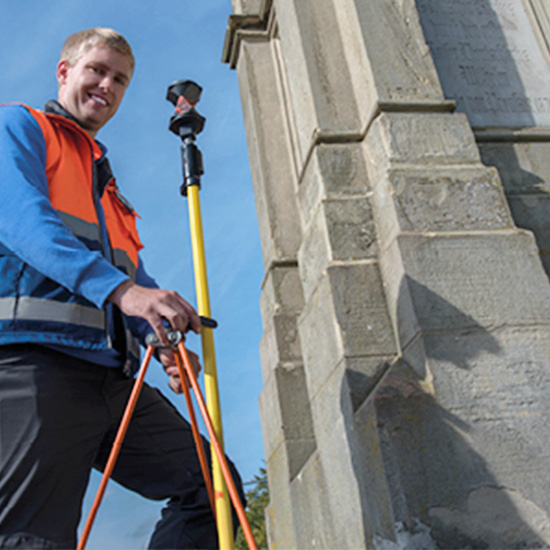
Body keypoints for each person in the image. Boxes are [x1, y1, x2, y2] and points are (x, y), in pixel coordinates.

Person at [0, 27, 242, 549]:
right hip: (33, 365)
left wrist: (161, 332)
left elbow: (133, 279)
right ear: (65, 72)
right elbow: (21, 221)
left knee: (215, 490)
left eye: (120, 80)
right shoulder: (19, 126)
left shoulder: (107, 188)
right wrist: (126, 294)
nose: (106, 85)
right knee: (32, 539)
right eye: (97, 70)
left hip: (112, 379)